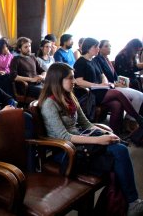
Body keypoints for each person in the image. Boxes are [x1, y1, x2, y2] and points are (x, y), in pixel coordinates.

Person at [38, 62, 143, 216]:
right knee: (119, 153)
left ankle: (124, 203)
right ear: (57, 80)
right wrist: (98, 140)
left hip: (80, 141)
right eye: (70, 79)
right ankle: (130, 202)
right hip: (65, 151)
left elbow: (86, 123)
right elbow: (64, 137)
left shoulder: (69, 97)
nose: (74, 82)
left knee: (118, 147)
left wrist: (105, 132)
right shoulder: (49, 104)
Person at [73, 38, 143, 133]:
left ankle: (114, 134)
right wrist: (97, 85)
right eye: (96, 47)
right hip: (90, 94)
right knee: (118, 93)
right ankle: (137, 118)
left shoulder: (93, 61)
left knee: (117, 105)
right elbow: (79, 81)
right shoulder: (80, 62)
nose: (98, 48)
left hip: (100, 89)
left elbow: (102, 75)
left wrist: (104, 83)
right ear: (88, 48)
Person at [94, 40, 143, 129]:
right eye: (106, 46)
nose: (109, 48)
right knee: (139, 96)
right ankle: (131, 119)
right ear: (99, 48)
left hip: (116, 85)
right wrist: (115, 84)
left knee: (139, 93)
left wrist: (121, 83)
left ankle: (129, 119)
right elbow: (101, 78)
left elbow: (115, 75)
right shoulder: (97, 60)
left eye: (110, 46)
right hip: (109, 87)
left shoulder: (107, 59)